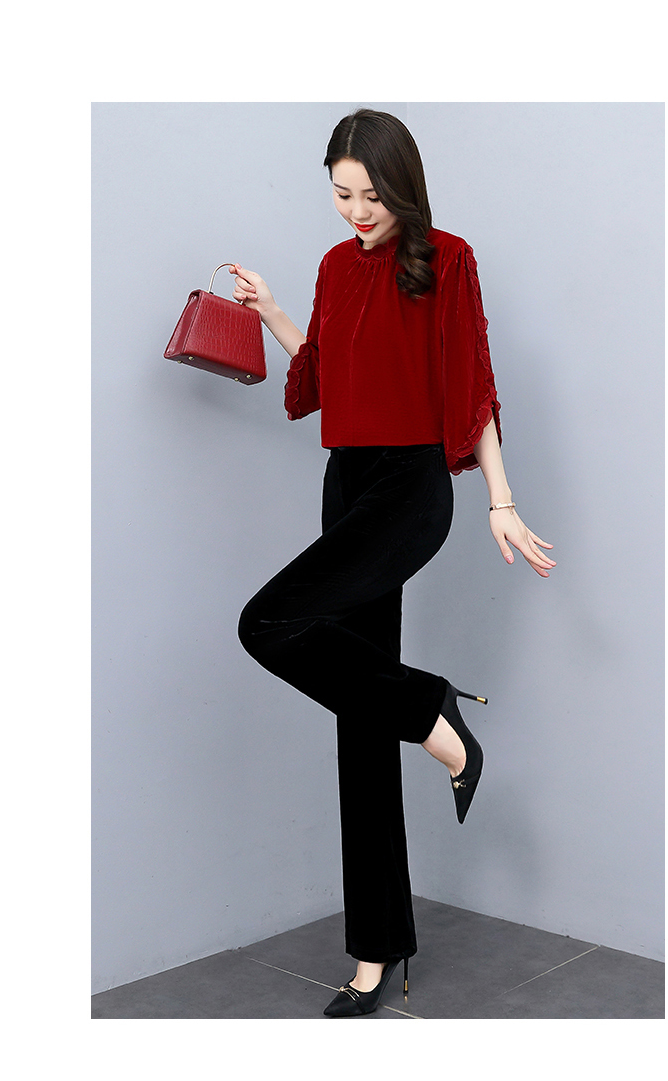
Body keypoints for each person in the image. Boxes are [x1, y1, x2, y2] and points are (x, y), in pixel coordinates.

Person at [231, 109, 555, 1018]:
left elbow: (471, 383)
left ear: (402, 186)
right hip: (347, 482)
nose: (357, 211)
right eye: (342, 195)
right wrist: (275, 313)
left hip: (410, 488)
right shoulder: (336, 267)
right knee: (356, 715)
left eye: (371, 194)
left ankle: (432, 710)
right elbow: (325, 378)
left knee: (268, 622)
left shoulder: (447, 258)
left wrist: (499, 499)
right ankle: (377, 950)